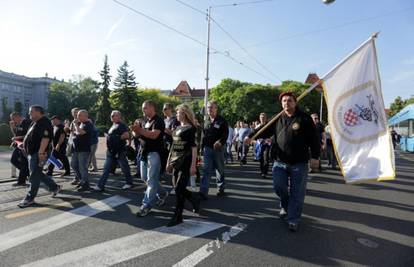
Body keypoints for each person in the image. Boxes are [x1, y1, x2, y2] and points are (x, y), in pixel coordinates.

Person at [245, 92, 320, 232]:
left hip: (299, 163)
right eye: (284, 101)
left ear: (295, 102)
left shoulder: (304, 119)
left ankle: (293, 219)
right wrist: (250, 136)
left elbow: (314, 139)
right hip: (280, 162)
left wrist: (315, 157)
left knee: (297, 193)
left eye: (289, 100)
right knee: (279, 187)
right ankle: (285, 206)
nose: (286, 103)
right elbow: (264, 130)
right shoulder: (277, 118)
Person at [18, 105, 61, 208]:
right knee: (37, 173)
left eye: (31, 112)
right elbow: (30, 136)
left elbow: (45, 139)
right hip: (32, 153)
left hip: (38, 153)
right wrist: (24, 145)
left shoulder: (44, 123)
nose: (29, 114)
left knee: (34, 176)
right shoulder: (35, 122)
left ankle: (30, 198)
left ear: (38, 112)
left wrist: (41, 153)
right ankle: (55, 187)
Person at [131, 100, 169, 217]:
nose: (143, 110)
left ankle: (146, 205)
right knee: (145, 178)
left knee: (151, 179)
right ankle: (163, 193)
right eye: (143, 108)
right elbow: (138, 135)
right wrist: (134, 131)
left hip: (155, 153)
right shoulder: (144, 121)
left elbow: (154, 135)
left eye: (145, 108)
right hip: (144, 152)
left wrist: (139, 130)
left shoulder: (158, 121)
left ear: (152, 108)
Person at [165, 104, 200, 227]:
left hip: (186, 161)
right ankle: (194, 199)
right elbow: (174, 147)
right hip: (175, 161)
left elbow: (194, 148)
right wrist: (168, 162)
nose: (177, 115)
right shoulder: (177, 128)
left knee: (179, 189)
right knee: (176, 188)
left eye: (179, 113)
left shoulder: (191, 129)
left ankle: (178, 216)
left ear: (184, 114)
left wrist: (193, 166)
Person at [93, 110, 133, 191]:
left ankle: (129, 183)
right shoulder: (113, 125)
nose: (112, 117)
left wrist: (116, 139)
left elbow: (127, 135)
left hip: (119, 151)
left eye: (114, 115)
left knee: (124, 167)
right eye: (111, 115)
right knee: (106, 169)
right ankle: (100, 186)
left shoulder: (121, 125)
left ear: (119, 116)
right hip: (111, 151)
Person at [199, 101, 229, 199]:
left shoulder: (222, 120)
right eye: (208, 107)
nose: (210, 109)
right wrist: (201, 148)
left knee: (219, 169)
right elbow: (204, 136)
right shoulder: (206, 121)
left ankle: (221, 188)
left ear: (216, 109)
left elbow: (225, 134)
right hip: (207, 149)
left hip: (218, 149)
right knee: (206, 170)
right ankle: (203, 192)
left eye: (212, 107)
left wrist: (220, 142)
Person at [71, 110, 93, 192]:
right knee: (73, 164)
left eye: (79, 115)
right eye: (77, 115)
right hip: (77, 149)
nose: (77, 117)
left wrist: (75, 124)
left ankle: (85, 184)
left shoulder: (88, 124)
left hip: (83, 150)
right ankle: (82, 180)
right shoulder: (82, 124)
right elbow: (77, 132)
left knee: (82, 167)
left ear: (85, 116)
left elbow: (81, 132)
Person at [9, 112, 31, 186]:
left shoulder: (26, 122)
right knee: (13, 160)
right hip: (18, 145)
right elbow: (15, 134)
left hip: (24, 145)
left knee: (24, 163)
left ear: (18, 116)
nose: (13, 120)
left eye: (13, 118)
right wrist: (12, 128)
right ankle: (27, 173)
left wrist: (17, 138)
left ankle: (21, 181)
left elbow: (29, 135)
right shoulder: (18, 124)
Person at [248, 113, 272, 178]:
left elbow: (272, 134)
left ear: (266, 118)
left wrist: (269, 139)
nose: (262, 118)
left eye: (264, 117)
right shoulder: (257, 126)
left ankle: (265, 172)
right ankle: (262, 171)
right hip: (259, 144)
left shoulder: (269, 125)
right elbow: (254, 135)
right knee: (261, 159)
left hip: (267, 144)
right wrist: (252, 140)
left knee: (266, 158)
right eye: (261, 117)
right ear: (259, 118)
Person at [65, 107, 80, 185]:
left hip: (80, 146)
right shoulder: (72, 122)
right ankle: (78, 178)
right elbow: (70, 133)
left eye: (77, 112)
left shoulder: (81, 121)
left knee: (76, 164)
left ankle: (80, 179)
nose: (76, 114)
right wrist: (67, 129)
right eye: (74, 112)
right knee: (74, 164)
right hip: (73, 144)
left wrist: (72, 131)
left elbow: (80, 132)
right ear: (72, 113)